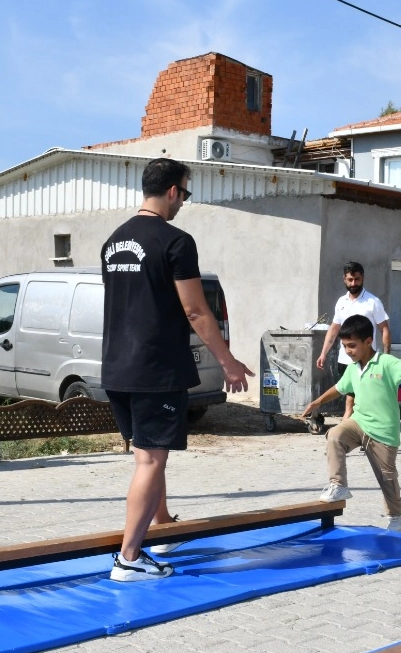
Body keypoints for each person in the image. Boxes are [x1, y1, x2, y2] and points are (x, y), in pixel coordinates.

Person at [99, 158, 253, 582]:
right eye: (184, 193)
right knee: (150, 459)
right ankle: (130, 557)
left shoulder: (113, 242)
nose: (184, 201)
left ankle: (162, 526)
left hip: (116, 366)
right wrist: (228, 361)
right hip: (156, 368)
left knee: (147, 452)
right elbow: (195, 310)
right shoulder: (176, 241)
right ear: (171, 191)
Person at [302, 315, 401, 532]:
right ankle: (338, 485)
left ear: (368, 341)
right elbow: (339, 388)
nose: (348, 351)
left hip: (383, 432)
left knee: (387, 479)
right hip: (358, 423)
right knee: (335, 435)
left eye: (352, 346)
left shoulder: (385, 362)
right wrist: (317, 402)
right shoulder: (352, 368)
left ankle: (396, 517)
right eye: (344, 346)